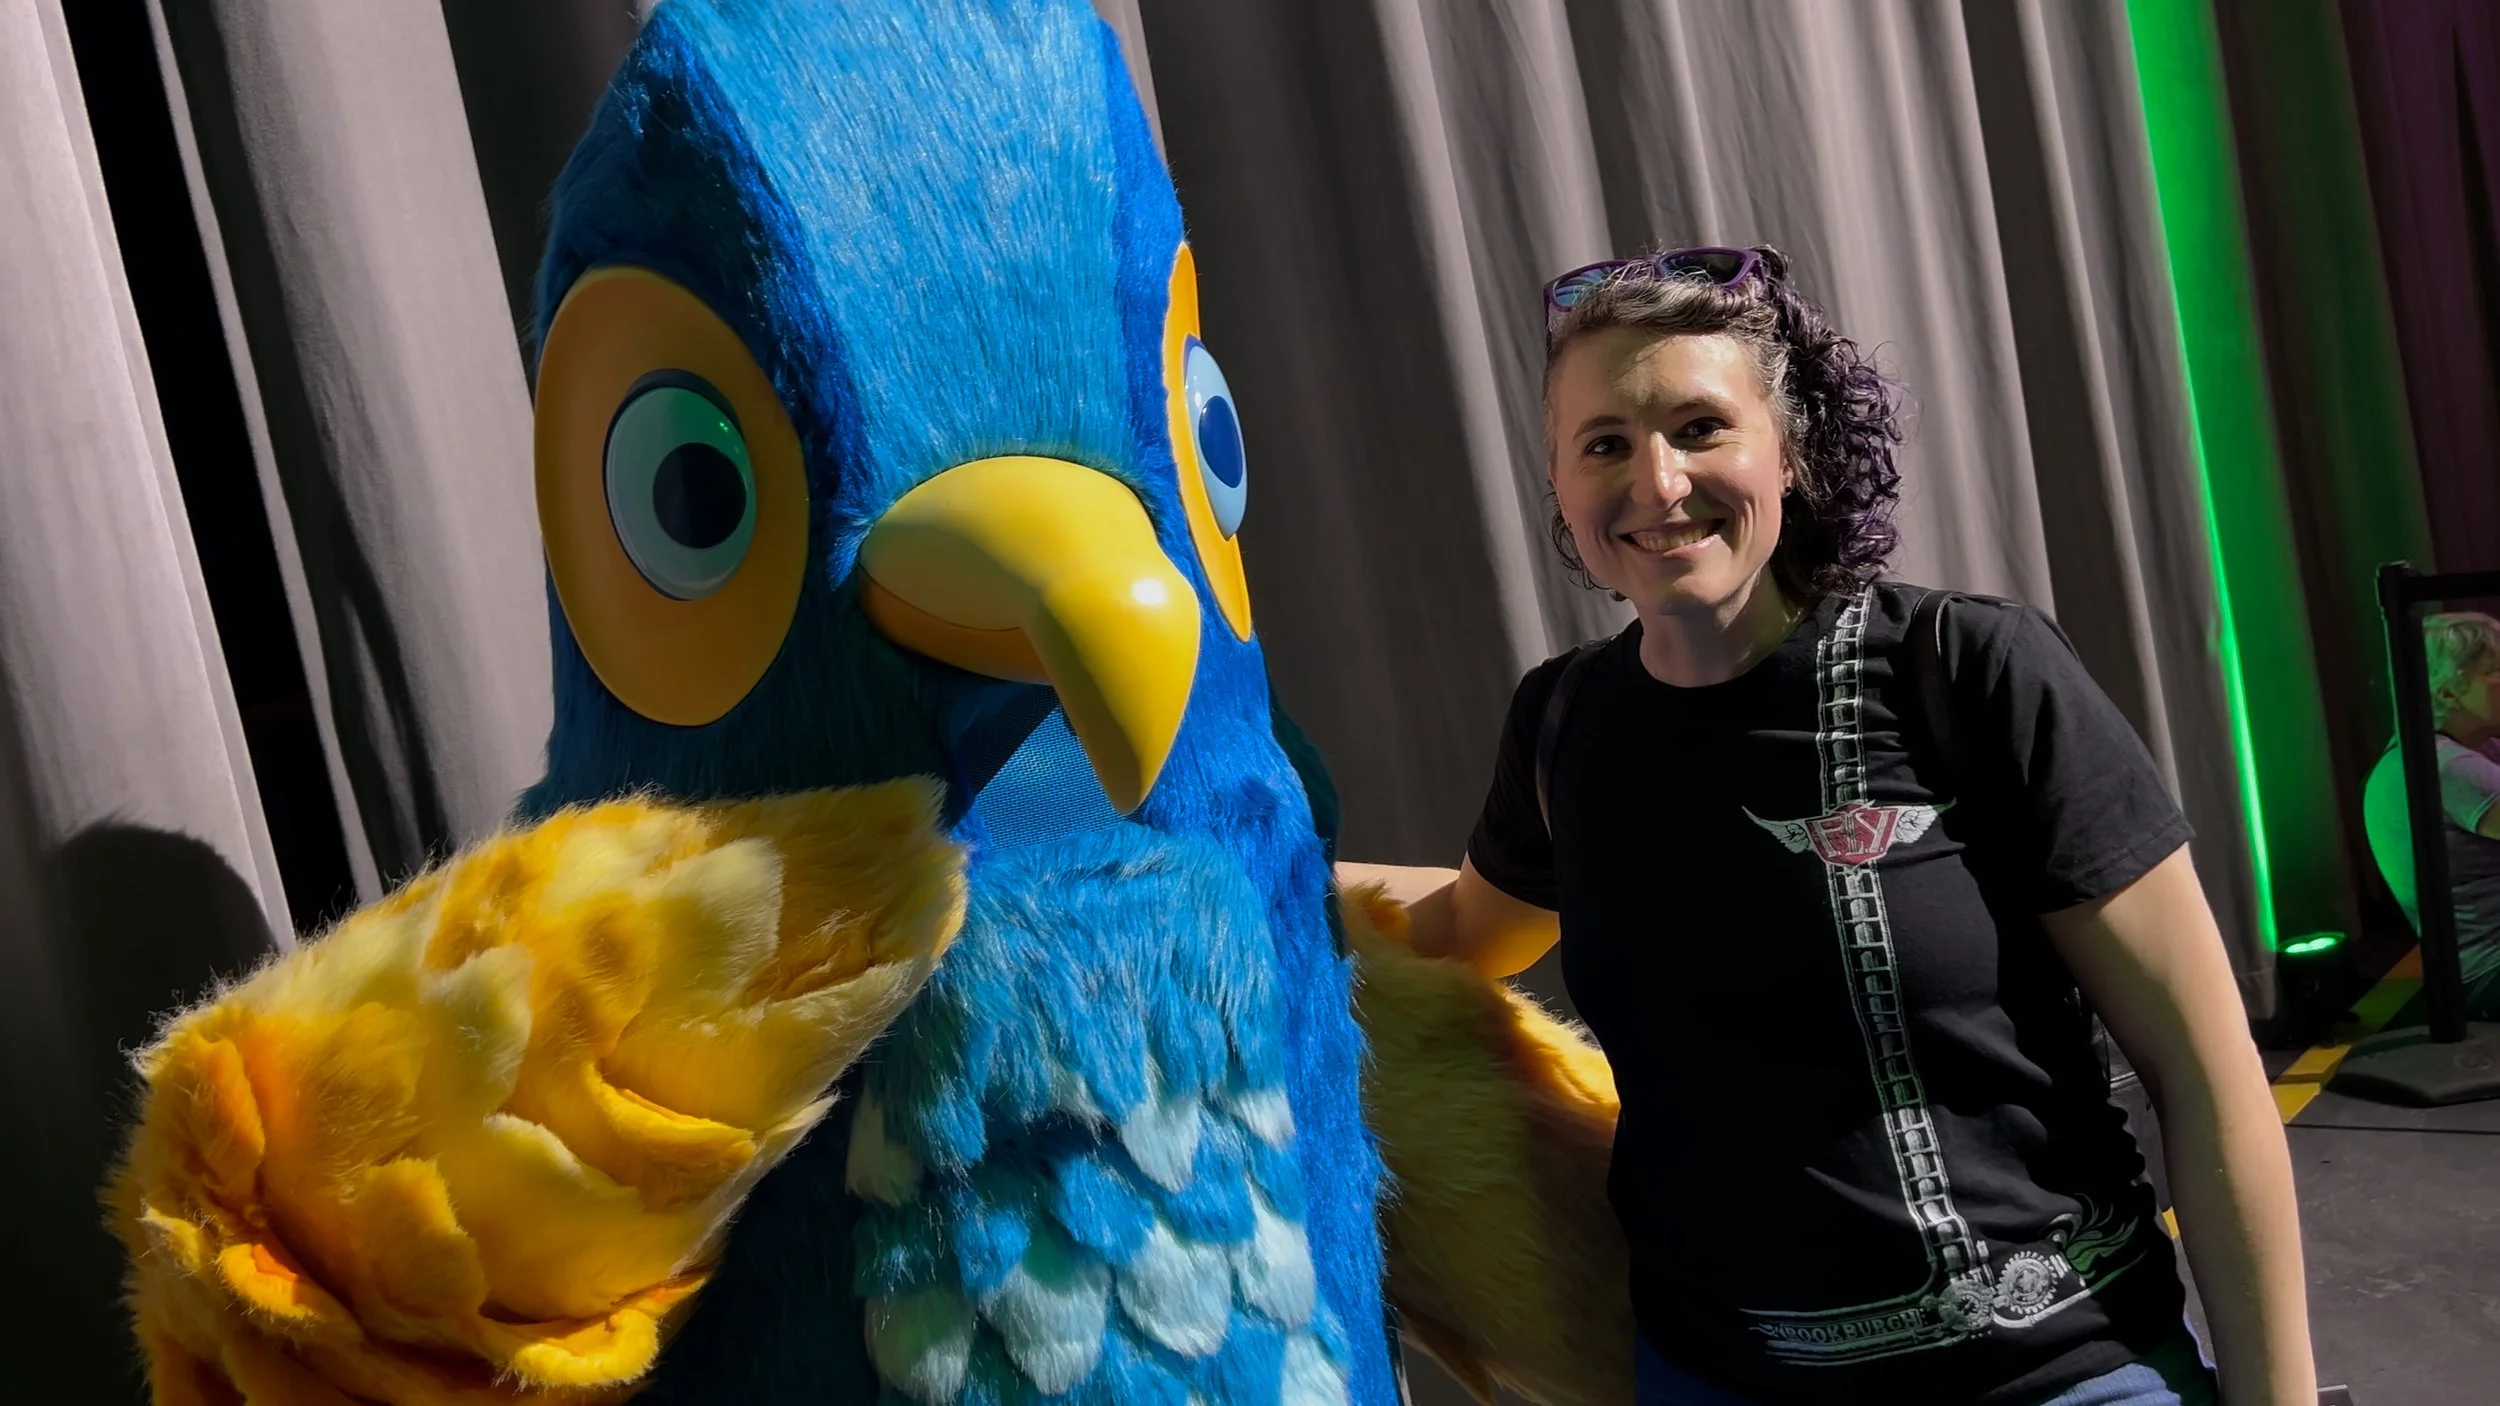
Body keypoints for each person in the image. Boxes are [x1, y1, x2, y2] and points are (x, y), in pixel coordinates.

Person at [1340, 247, 2313, 1405]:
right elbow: (1465, 922)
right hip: (1716, 1381)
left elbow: (2203, 1072)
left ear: (1789, 451)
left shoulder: (1962, 671)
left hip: (2050, 1377)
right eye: (1604, 443)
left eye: (1699, 427)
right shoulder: (1563, 725)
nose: (1657, 481)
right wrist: (1229, 867)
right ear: (1558, 481)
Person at [2361, 610, 2500, 1019]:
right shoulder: (2447, 767)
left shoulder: (2470, 747)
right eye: (2497, 671)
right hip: (2488, 971)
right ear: (2449, 693)